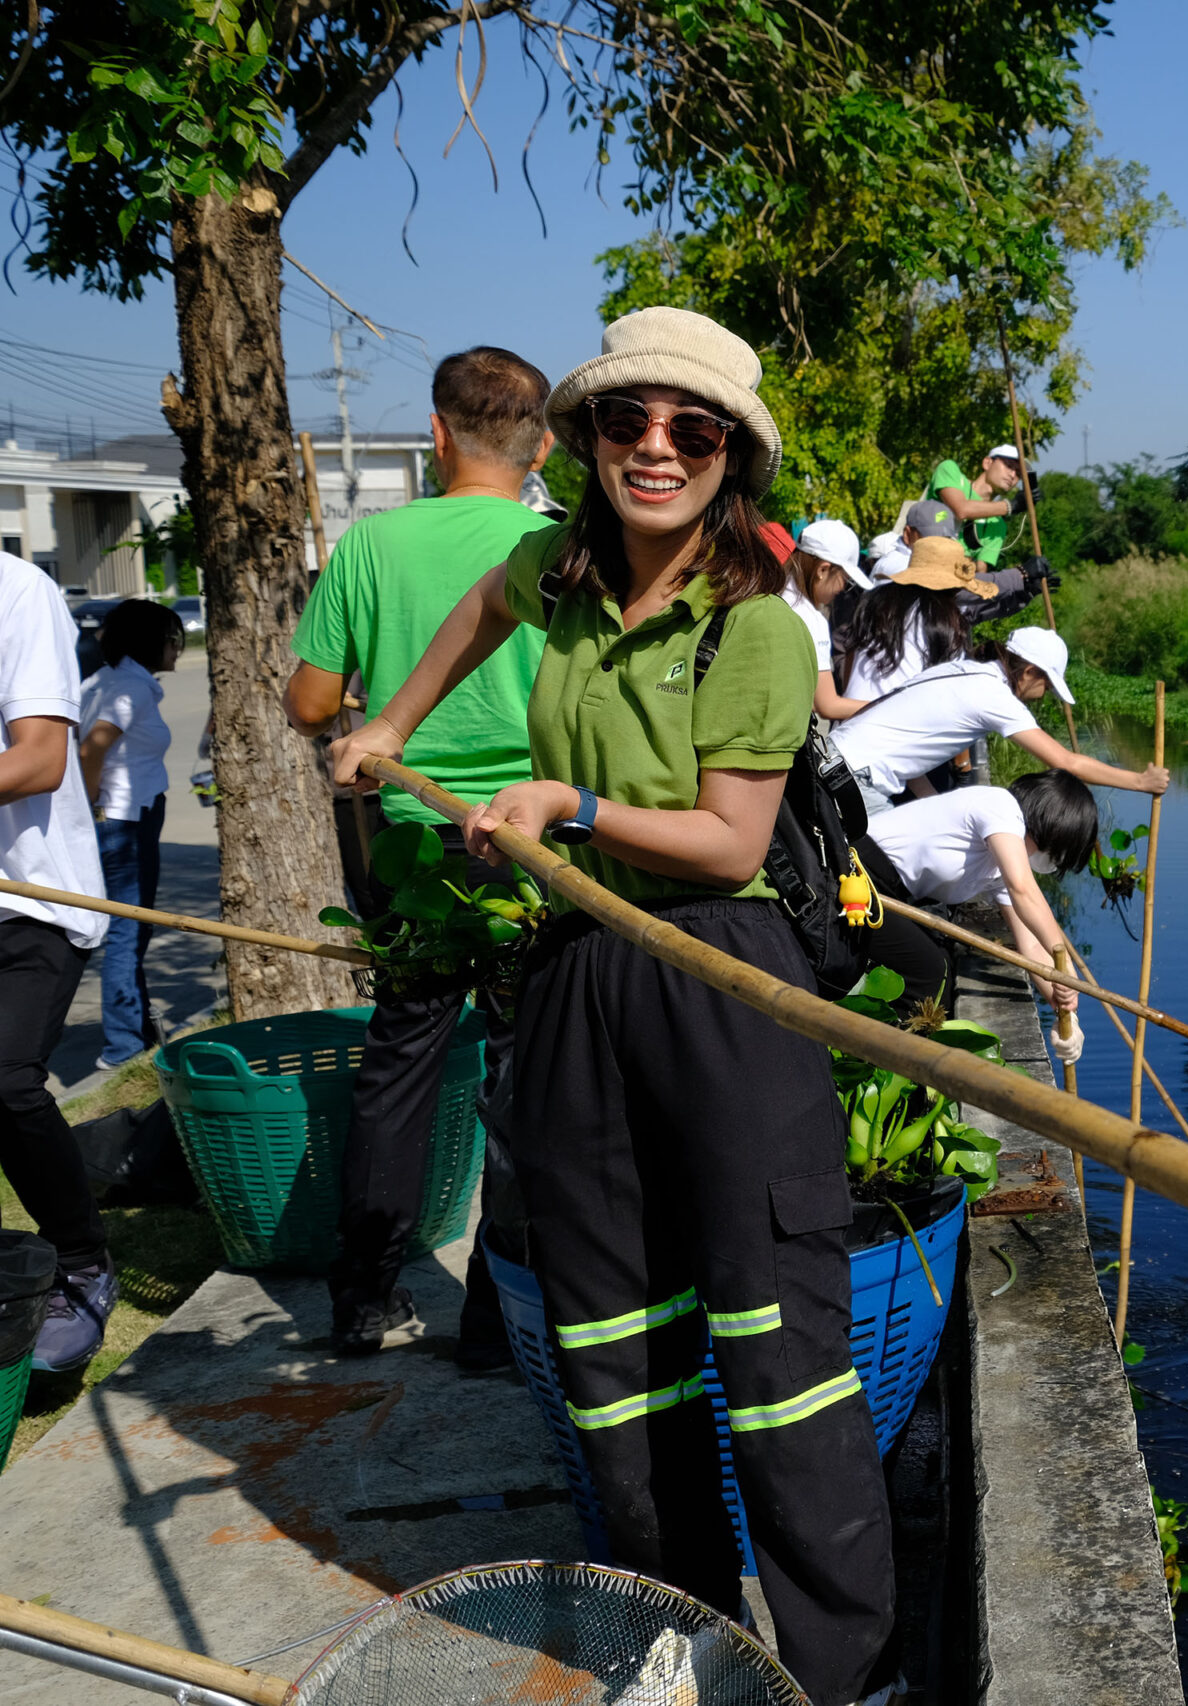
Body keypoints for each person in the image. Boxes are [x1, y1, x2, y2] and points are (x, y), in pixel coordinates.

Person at [329, 305, 896, 1705]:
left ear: (729, 457)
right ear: (583, 440)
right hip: (579, 972)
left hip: (718, 976)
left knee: (781, 1362)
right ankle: (689, 1637)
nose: (656, 448)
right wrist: (392, 723)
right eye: (627, 421)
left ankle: (842, 1675)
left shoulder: (756, 627)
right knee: (613, 1350)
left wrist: (569, 804)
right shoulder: (554, 571)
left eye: (689, 429)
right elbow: (478, 611)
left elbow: (731, 843)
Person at [287, 345, 560, 1362]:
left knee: (400, 1064)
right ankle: (498, 1317)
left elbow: (311, 704)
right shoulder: (559, 545)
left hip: (415, 844)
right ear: (539, 447)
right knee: (528, 1072)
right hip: (537, 848)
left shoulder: (370, 545)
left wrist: (374, 707)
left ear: (438, 433)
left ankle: (364, 1298)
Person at [0, 550, 116, 1373]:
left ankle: (81, 1259)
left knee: (3, 1080)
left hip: (29, 897)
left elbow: (41, 756)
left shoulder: (17, 592)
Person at [827, 620, 1169, 821]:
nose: (1045, 692)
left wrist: (934, 806)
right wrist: (1141, 781)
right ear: (1030, 672)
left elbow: (909, 749)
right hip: (854, 779)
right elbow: (1065, 761)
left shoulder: (963, 670)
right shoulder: (994, 696)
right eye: (1048, 684)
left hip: (832, 756)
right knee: (887, 875)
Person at [858, 772, 1094, 1028]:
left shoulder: (1000, 868)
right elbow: (1023, 889)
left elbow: (1032, 947)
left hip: (888, 894)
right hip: (859, 871)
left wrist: (1067, 1013)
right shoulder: (1000, 806)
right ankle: (890, 1055)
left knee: (939, 968)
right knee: (930, 973)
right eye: (1057, 852)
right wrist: (1065, 962)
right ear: (1051, 826)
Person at [78, 599, 186, 1071]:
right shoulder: (128, 690)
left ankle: (137, 1031)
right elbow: (90, 750)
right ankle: (122, 1048)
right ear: (152, 641)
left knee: (132, 925)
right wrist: (91, 808)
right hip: (125, 819)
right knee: (126, 928)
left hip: (127, 814)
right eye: (173, 638)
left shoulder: (107, 681)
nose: (178, 648)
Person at [840, 536, 981, 713]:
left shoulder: (873, 601)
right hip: (896, 725)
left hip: (849, 720)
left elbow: (850, 659)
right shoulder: (944, 620)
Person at [866, 497, 1050, 629]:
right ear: (907, 534)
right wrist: (1019, 575)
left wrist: (1024, 592)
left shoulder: (935, 576)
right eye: (930, 539)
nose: (938, 546)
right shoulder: (895, 565)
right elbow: (963, 589)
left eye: (945, 540)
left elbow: (970, 612)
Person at [781, 520, 867, 724]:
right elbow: (827, 705)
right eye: (844, 578)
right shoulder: (811, 619)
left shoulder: (774, 592)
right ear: (822, 570)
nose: (842, 588)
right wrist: (887, 706)